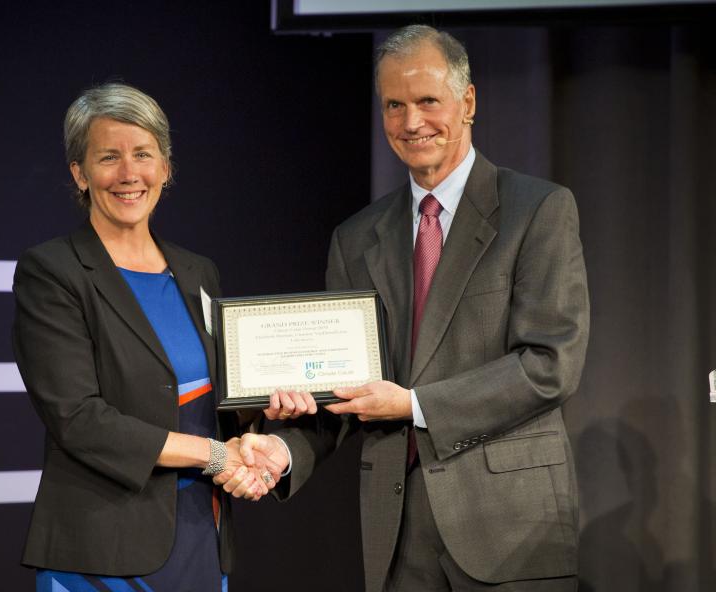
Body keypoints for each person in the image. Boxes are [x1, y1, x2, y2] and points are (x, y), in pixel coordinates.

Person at [239, 25, 590, 591]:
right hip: (397, 531)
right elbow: (342, 389)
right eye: (394, 105)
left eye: (428, 100)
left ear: (467, 101)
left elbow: (550, 365)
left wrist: (416, 404)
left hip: (509, 524)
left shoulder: (538, 210)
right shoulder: (355, 238)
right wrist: (282, 449)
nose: (411, 122)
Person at [12, 82, 298, 591]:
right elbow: (77, 418)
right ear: (79, 173)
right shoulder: (53, 271)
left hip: (201, 537)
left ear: (165, 168)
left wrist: (263, 419)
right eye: (108, 157)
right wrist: (215, 455)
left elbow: (219, 402)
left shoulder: (198, 272)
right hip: (101, 552)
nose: (128, 174)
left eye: (143, 154)